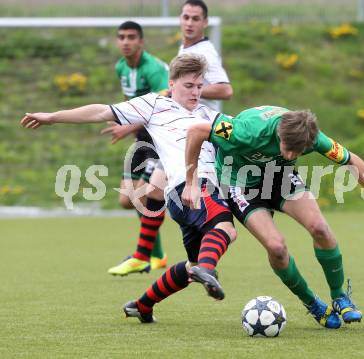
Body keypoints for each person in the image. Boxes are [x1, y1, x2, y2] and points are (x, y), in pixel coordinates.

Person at [21, 53, 237, 323]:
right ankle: (208, 270)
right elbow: (101, 111)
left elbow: (240, 140)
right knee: (225, 229)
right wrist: (52, 117)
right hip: (190, 188)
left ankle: (142, 305)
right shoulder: (155, 104)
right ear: (172, 84)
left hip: (185, 196)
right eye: (188, 86)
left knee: (192, 265)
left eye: (199, 86)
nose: (195, 92)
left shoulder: (211, 116)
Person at [183, 106, 364, 329]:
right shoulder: (247, 131)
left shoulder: (313, 137)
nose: (290, 155)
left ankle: (339, 297)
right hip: (239, 184)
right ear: (279, 134)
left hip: (280, 177)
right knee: (276, 248)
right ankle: (311, 302)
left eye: (297, 153)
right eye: (287, 149)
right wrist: (191, 181)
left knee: (320, 228)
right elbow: (197, 131)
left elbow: (351, 160)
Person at [106, 0, 233, 276]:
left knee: (209, 218)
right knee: (151, 192)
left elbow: (225, 91)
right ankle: (149, 256)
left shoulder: (204, 52)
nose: (189, 23)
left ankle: (189, 256)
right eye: (186, 17)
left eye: (195, 18)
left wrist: (190, 89)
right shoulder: (187, 49)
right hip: (180, 132)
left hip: (198, 133)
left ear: (205, 22)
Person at [106, 21, 170, 276]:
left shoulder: (153, 69)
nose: (126, 41)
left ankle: (148, 256)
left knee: (142, 196)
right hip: (141, 137)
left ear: (141, 41)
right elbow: (128, 102)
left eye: (131, 37)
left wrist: (128, 126)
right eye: (121, 37)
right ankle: (156, 256)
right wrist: (126, 123)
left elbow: (163, 103)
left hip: (160, 138)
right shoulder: (121, 66)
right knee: (126, 199)